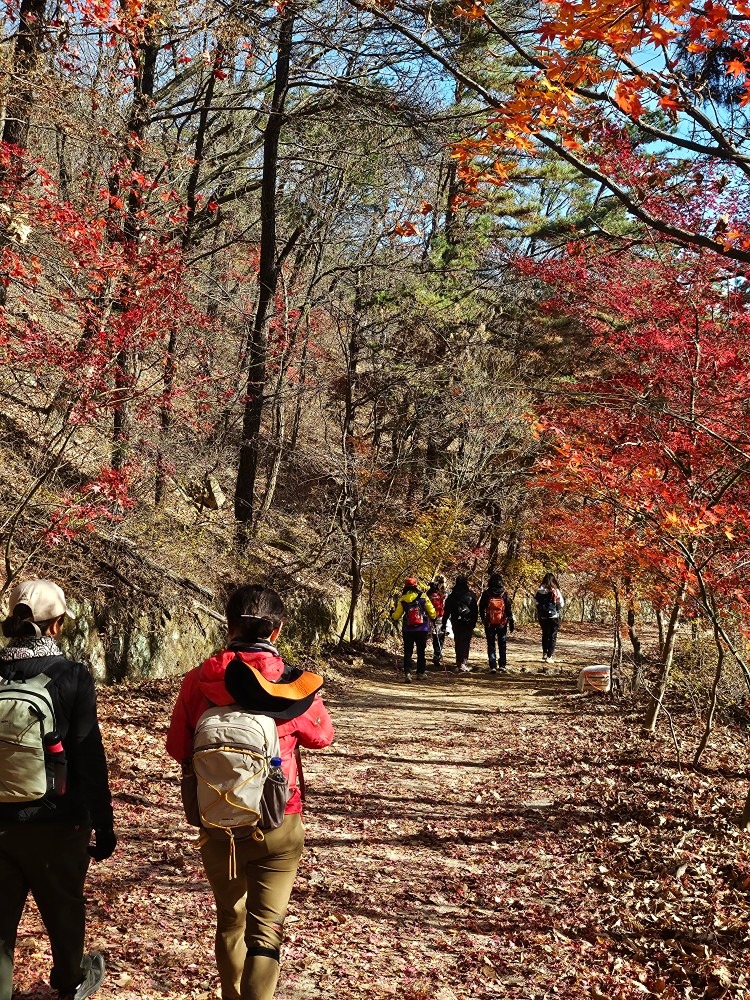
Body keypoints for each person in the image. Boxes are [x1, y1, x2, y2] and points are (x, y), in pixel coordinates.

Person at [166, 584, 334, 1000]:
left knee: (230, 921)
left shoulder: (197, 680)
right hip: (281, 816)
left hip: (217, 819)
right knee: (266, 930)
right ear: (275, 631)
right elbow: (322, 736)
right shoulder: (290, 683)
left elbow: (176, 748)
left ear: (228, 627)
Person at [0, 580, 115, 1000]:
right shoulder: (71, 676)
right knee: (64, 906)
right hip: (59, 818)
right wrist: (103, 823)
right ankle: (70, 982)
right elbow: (88, 754)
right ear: (57, 625)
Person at [391, 578, 436, 683]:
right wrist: (433, 618)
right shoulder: (423, 596)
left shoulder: (403, 599)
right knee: (421, 651)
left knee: (408, 652)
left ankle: (408, 673)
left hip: (408, 629)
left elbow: (397, 616)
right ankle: (420, 673)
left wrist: (392, 615)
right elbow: (432, 611)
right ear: (416, 586)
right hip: (422, 628)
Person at [479, 573, 515, 674]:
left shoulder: (486, 593)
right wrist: (511, 621)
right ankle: (502, 665)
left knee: (491, 644)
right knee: (502, 644)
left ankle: (492, 666)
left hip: (489, 623)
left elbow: (481, 608)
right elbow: (508, 608)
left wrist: (484, 619)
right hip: (502, 623)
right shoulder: (503, 593)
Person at [442, 576, 478, 673]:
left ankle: (458, 662)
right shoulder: (470, 595)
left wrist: (444, 623)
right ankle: (463, 663)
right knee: (465, 642)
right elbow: (475, 610)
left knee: (458, 641)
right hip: (467, 622)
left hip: (455, 622)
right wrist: (474, 623)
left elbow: (446, 611)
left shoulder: (452, 596)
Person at [535, 573, 564, 663]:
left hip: (542, 616)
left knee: (545, 634)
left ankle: (544, 652)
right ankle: (549, 656)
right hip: (553, 616)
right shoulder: (555, 590)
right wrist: (556, 608)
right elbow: (561, 603)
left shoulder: (539, 590)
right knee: (552, 636)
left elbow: (535, 602)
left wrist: (541, 609)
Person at [426, 577, 447, 670]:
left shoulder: (427, 595)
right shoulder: (440, 595)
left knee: (428, 638)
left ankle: (422, 656)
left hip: (428, 619)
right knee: (439, 638)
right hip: (439, 618)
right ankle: (437, 656)